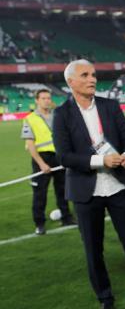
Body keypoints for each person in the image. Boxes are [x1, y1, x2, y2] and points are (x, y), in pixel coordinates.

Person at [53, 59, 125, 309]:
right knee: (93, 252)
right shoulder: (62, 114)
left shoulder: (110, 106)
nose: (92, 79)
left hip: (119, 185)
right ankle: (106, 301)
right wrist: (101, 161)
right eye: (85, 75)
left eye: (94, 74)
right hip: (86, 192)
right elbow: (64, 156)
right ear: (70, 82)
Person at [21, 88, 74, 234]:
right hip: (42, 159)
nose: (47, 101)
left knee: (63, 189)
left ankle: (66, 217)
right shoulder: (29, 119)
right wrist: (41, 163)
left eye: (49, 98)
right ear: (37, 101)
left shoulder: (57, 116)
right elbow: (30, 144)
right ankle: (39, 223)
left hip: (58, 157)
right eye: (43, 98)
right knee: (40, 193)